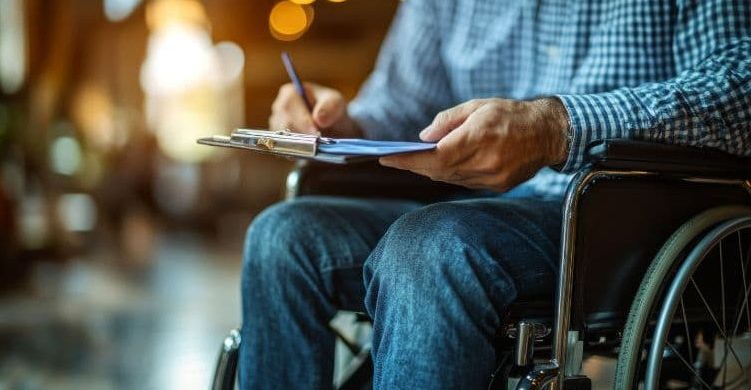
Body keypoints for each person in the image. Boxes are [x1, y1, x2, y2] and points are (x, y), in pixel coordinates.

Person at [239, 1, 751, 388]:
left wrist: (556, 128)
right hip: (469, 211)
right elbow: (401, 103)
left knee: (429, 249)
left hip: (615, 211)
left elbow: (738, 87)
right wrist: (337, 122)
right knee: (281, 238)